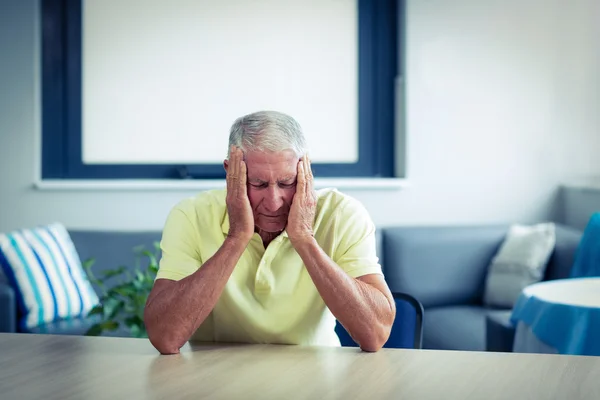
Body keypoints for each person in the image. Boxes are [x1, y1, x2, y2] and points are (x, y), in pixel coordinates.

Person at [144, 111, 396, 355]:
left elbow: (375, 334)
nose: (274, 202)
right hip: (215, 378)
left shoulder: (342, 214)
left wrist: (304, 238)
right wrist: (237, 237)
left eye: (287, 183)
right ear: (230, 171)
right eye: (258, 184)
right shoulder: (191, 214)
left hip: (316, 378)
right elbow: (165, 338)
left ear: (305, 171)